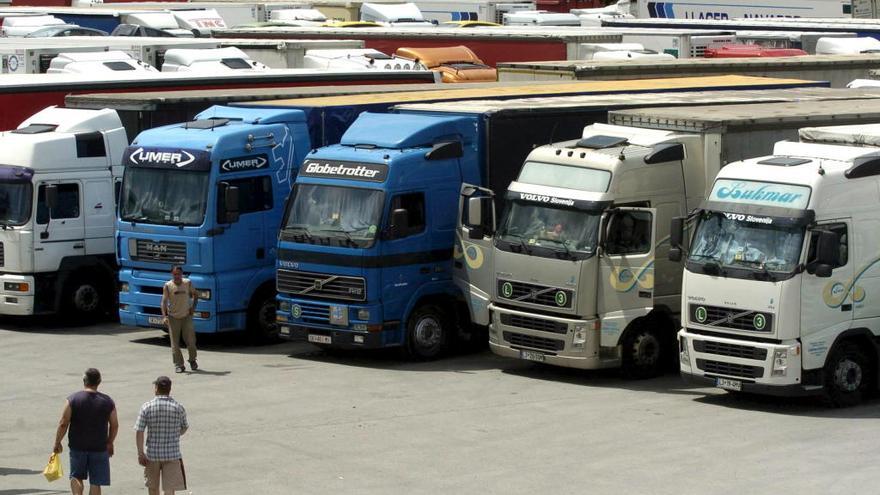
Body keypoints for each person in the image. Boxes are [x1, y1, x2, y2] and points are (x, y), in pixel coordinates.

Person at [53, 368, 119, 495]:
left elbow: (63, 423)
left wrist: (57, 442)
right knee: (96, 482)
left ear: (84, 381)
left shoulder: (72, 400)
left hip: (78, 446)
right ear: (99, 382)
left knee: (76, 476)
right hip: (99, 447)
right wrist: (110, 442)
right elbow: (115, 425)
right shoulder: (108, 402)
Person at [135, 376, 189, 495]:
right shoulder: (179, 407)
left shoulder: (147, 407)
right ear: (170, 389)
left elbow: (139, 431)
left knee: (153, 487)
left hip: (152, 454)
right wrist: (175, 434)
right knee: (169, 489)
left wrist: (140, 453)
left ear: (156, 388)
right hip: (172, 454)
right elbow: (185, 427)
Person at [161, 265, 199, 373]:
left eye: (179, 274)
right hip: (173, 318)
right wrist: (165, 316)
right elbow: (163, 302)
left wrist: (193, 308)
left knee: (191, 341)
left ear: (182, 274)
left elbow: (196, 295)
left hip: (186, 316)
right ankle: (179, 364)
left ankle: (192, 360)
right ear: (172, 274)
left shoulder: (188, 283)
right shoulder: (168, 286)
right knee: (175, 344)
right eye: (175, 274)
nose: (177, 276)